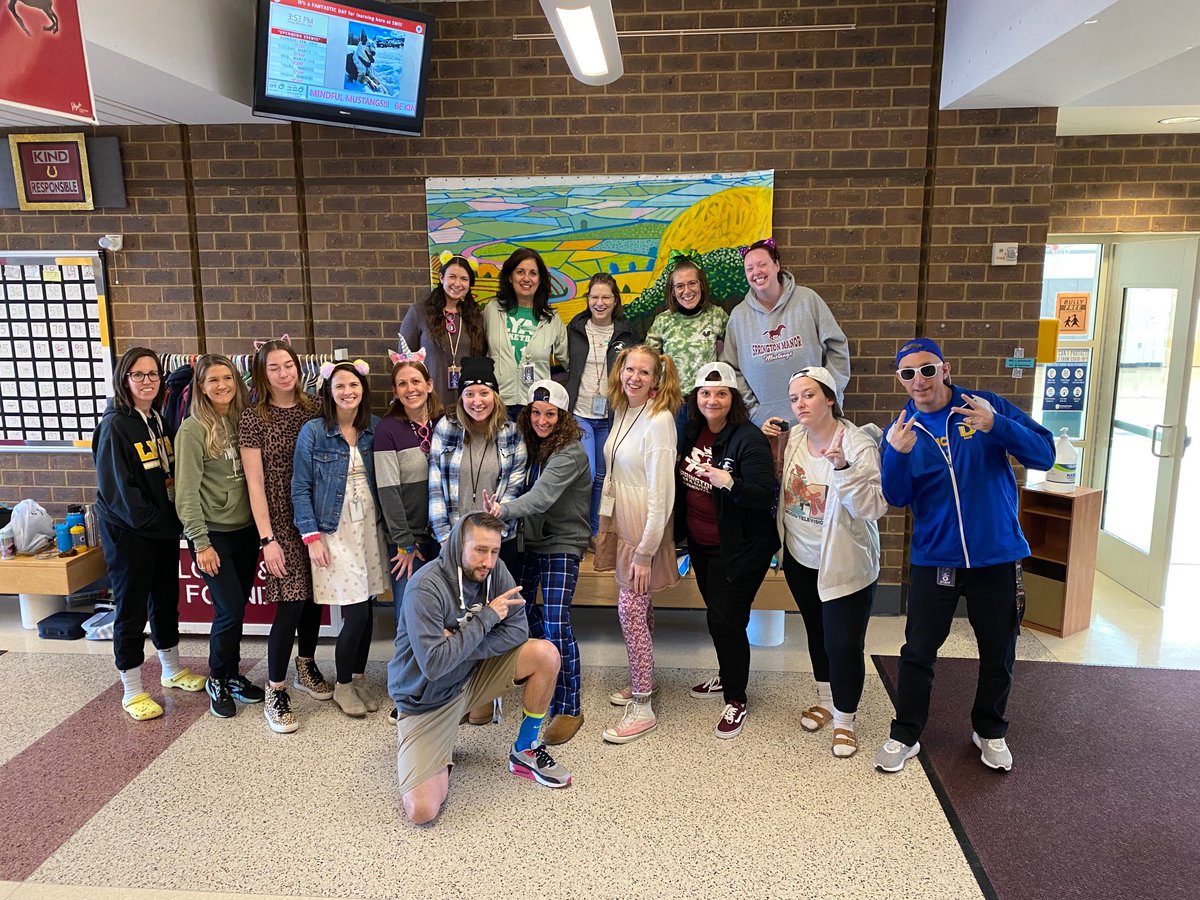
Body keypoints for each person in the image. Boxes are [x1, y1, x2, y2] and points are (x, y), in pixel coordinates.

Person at [874, 337, 1054, 774]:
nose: (919, 380)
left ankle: (989, 730)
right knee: (918, 650)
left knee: (998, 649)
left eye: (927, 369)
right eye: (908, 373)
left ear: (945, 368)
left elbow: (1045, 454)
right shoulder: (901, 430)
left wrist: (998, 426)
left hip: (996, 555)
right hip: (935, 559)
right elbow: (896, 496)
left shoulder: (985, 407)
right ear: (900, 379)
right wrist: (895, 457)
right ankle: (906, 731)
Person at [387, 512, 572, 825]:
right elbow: (433, 665)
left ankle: (524, 750)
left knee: (545, 655)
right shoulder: (425, 588)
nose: (488, 561)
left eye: (495, 551)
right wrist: (486, 618)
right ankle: (433, 752)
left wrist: (458, 644)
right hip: (425, 701)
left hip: (470, 676)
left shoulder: (494, 571)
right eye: (480, 550)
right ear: (459, 544)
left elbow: (518, 631)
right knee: (422, 811)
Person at [774, 367, 887, 759]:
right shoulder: (796, 440)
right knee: (817, 634)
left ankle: (845, 720)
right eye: (794, 398)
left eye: (808, 395)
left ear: (830, 398)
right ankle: (825, 700)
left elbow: (873, 507)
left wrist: (842, 468)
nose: (799, 405)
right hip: (801, 558)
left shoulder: (856, 444)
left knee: (843, 644)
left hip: (843, 563)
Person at [93, 347, 206, 721]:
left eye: (153, 375)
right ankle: (132, 689)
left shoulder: (155, 418)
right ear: (124, 379)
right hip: (130, 534)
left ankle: (171, 670)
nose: (147, 381)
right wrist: (162, 522)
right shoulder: (114, 425)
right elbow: (122, 493)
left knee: (164, 599)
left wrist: (172, 523)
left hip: (161, 530)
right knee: (131, 608)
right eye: (138, 375)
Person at [674, 362, 778, 739]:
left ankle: (736, 698)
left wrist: (729, 481)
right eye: (705, 393)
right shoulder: (692, 430)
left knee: (727, 621)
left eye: (721, 394)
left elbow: (765, 494)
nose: (712, 400)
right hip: (701, 546)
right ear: (696, 398)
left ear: (732, 398)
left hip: (740, 549)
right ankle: (727, 674)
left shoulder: (747, 438)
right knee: (717, 617)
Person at [485, 380, 591, 745]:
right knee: (518, 613)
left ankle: (570, 706)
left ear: (562, 417)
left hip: (563, 543)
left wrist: (502, 509)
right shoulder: (531, 445)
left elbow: (541, 498)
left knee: (555, 621)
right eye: (535, 413)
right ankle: (532, 684)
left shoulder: (571, 452)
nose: (542, 420)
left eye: (550, 414)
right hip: (531, 541)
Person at [593, 344, 683, 743]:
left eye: (644, 372)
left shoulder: (660, 420)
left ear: (656, 378)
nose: (634, 377)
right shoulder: (624, 409)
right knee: (639, 609)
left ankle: (643, 706)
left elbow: (663, 494)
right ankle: (642, 677)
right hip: (622, 521)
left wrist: (646, 551)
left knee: (629, 610)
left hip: (645, 529)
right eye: (630, 369)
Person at [240, 337, 330, 734]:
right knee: (290, 603)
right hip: (279, 523)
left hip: (316, 517)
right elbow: (254, 485)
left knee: (314, 599)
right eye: (274, 367)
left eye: (288, 365)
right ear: (263, 373)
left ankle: (306, 665)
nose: (283, 373)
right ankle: (275, 689)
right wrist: (267, 539)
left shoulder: (314, 408)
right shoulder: (253, 417)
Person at [292, 360, 389, 719]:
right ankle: (342, 685)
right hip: (334, 532)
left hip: (370, 530)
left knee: (368, 607)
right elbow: (300, 488)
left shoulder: (373, 428)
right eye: (340, 386)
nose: (348, 392)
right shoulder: (314, 432)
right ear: (329, 393)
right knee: (356, 612)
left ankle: (359, 677)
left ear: (363, 390)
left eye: (354, 386)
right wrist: (311, 536)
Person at [174, 354, 266, 718]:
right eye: (213, 380)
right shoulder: (192, 430)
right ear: (201, 386)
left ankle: (232, 675)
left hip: (245, 533)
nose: (222, 385)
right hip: (215, 537)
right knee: (228, 610)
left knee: (237, 608)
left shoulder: (242, 419)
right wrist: (200, 543)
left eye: (227, 378)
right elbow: (185, 493)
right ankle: (216, 677)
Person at [374, 348, 444, 724]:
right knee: (406, 616)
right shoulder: (388, 429)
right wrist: (404, 542)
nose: (410, 388)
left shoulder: (446, 422)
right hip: (410, 540)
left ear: (429, 385)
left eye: (416, 381)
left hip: (443, 536)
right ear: (396, 392)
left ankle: (433, 686)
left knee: (437, 615)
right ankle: (401, 694)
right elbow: (388, 490)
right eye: (402, 384)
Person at [721, 238, 850, 426]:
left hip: (816, 420)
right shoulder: (739, 317)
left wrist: (829, 393)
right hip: (765, 425)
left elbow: (837, 347)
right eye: (749, 268)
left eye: (762, 264)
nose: (756, 272)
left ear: (776, 265)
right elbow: (731, 368)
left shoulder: (808, 300)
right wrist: (754, 411)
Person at [564, 273, 636, 536]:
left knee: (603, 478)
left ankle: (595, 533)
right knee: (588, 472)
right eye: (594, 296)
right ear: (588, 299)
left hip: (611, 416)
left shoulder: (626, 332)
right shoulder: (574, 329)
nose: (600, 302)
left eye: (606, 297)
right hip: (580, 413)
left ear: (615, 300)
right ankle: (578, 528)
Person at [481, 248, 569, 418]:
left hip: (536, 408)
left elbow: (568, 361)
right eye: (520, 272)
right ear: (510, 276)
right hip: (497, 403)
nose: (526, 278)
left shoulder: (552, 319)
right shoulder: (492, 310)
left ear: (540, 279)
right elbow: (478, 349)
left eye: (533, 273)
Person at [646, 254, 728, 432]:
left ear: (702, 286)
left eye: (692, 283)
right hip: (673, 403)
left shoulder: (717, 316)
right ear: (672, 291)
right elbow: (648, 362)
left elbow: (735, 351)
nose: (687, 291)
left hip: (707, 402)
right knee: (674, 457)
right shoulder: (663, 321)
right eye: (680, 286)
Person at [398, 254, 487, 406]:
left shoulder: (475, 317)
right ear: (441, 278)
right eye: (452, 276)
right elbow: (403, 360)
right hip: (428, 398)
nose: (457, 283)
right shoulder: (419, 312)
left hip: (466, 402)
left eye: (464, 279)